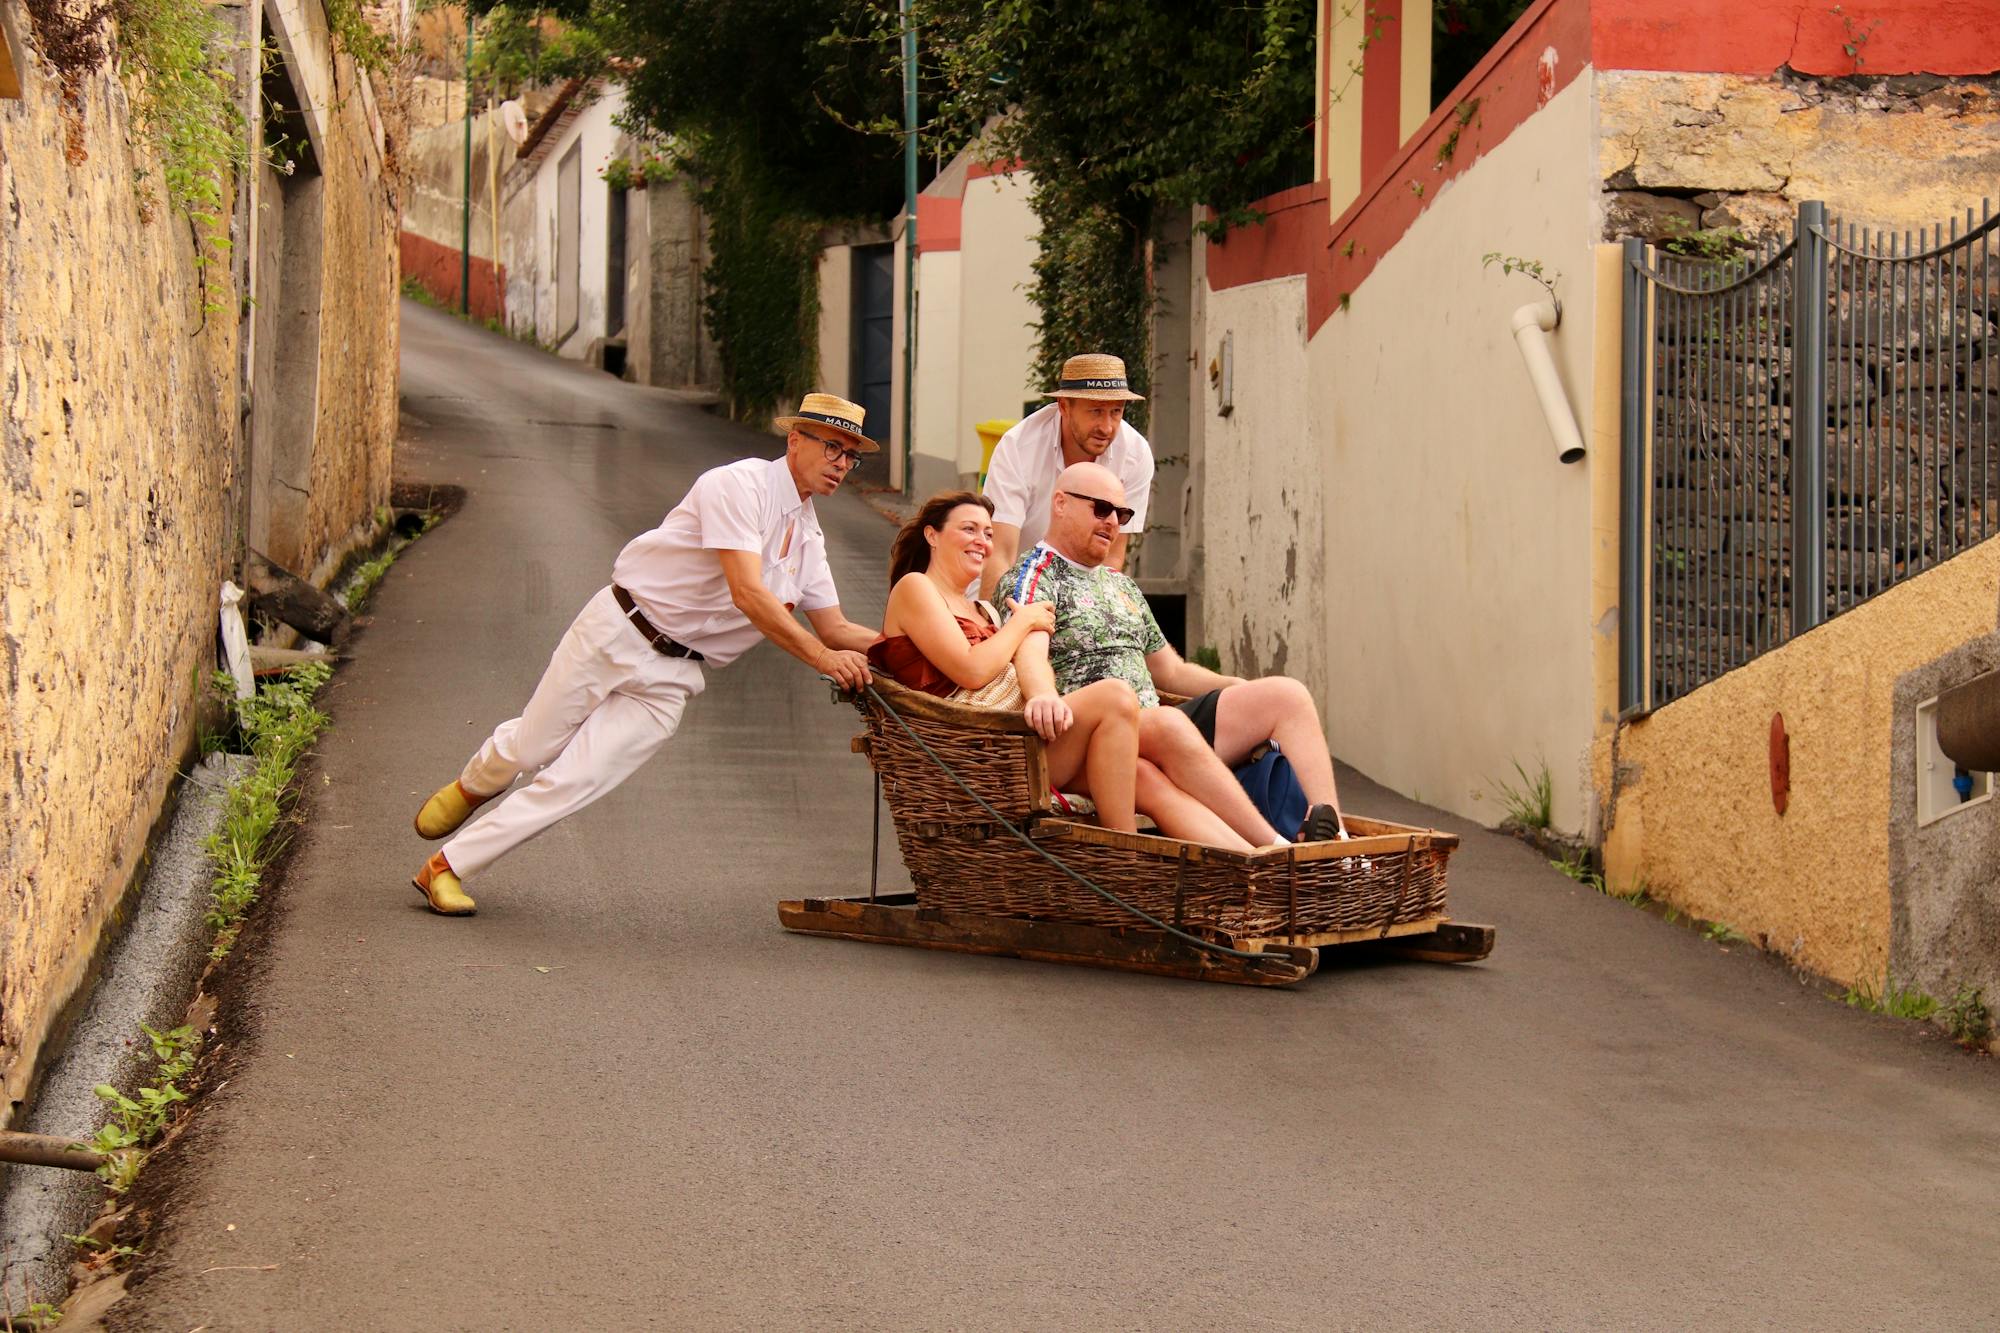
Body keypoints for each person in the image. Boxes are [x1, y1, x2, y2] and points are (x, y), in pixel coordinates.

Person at [406, 393, 883, 915]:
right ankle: (477, 783)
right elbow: (748, 593)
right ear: (795, 440)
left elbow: (835, 626)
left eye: (851, 456)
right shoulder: (737, 485)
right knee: (532, 747)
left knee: (576, 782)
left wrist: (928, 644)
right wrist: (819, 658)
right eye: (833, 448)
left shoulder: (809, 536)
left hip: (675, 675)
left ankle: (447, 868)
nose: (842, 465)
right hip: (621, 628)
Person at [870, 492, 1256, 850]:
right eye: (968, 529)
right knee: (1115, 694)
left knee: (1146, 777)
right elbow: (971, 671)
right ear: (932, 536)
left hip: (1017, 740)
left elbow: (1021, 664)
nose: (982, 541)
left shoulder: (985, 610)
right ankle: (1123, 858)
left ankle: (1257, 859)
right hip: (978, 757)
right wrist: (1022, 624)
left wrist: (1039, 681)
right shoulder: (915, 587)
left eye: (988, 533)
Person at [1000, 462, 1351, 849]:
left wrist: (1243, 689)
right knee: (1166, 726)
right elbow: (1029, 649)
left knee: (1287, 695)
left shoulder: (1121, 585)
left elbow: (1170, 669)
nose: (1112, 523)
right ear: (1061, 504)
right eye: (1100, 509)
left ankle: (1336, 840)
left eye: (1122, 514)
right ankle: (1277, 850)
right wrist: (1043, 695)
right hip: (1097, 731)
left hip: (1159, 722)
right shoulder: (1035, 575)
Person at [979, 352, 1155, 598]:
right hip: (1014, 586)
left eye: (1116, 411)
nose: (1106, 427)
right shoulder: (1018, 447)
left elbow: (1111, 558)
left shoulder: (1135, 454)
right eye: (1095, 411)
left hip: (1081, 594)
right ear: (1064, 406)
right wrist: (996, 628)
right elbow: (1000, 554)